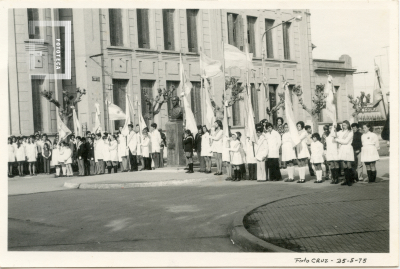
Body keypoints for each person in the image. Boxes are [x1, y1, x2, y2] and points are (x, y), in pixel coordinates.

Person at [334, 120, 354, 186]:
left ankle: (350, 180)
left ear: (348, 125)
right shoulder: (340, 132)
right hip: (342, 148)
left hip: (348, 148)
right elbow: (334, 135)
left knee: (348, 165)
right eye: (343, 125)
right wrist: (334, 127)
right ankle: (346, 180)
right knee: (344, 165)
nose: (343, 126)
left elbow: (346, 141)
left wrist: (337, 140)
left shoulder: (350, 132)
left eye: (345, 125)